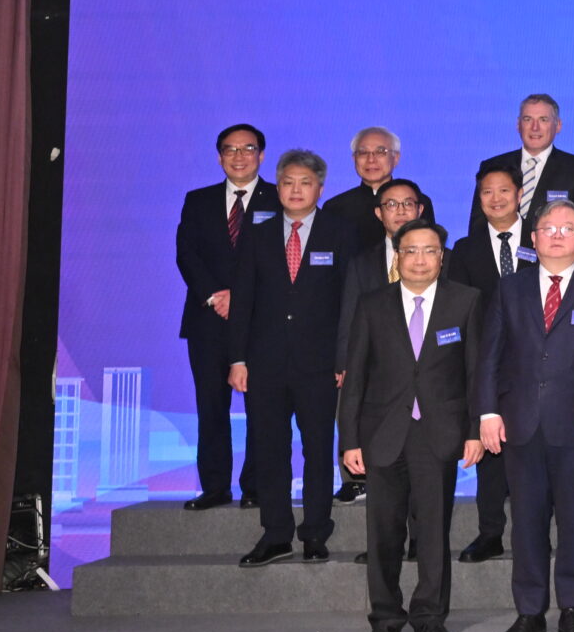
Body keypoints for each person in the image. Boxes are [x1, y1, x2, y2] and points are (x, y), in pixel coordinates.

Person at [475, 199, 574, 632]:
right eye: (548, 228)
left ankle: (572, 608)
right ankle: (530, 612)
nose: (557, 235)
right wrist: (488, 412)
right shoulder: (510, 288)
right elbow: (490, 355)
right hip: (520, 423)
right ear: (533, 238)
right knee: (526, 521)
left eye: (567, 228)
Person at [338, 221, 485, 632]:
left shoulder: (466, 301)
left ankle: (430, 617)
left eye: (429, 251)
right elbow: (355, 379)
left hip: (438, 433)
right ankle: (384, 619)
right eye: (411, 251)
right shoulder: (372, 305)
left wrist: (474, 431)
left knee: (433, 532)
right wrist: (349, 440)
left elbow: (475, 374)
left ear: (442, 257)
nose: (420, 259)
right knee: (383, 534)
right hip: (382, 435)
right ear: (397, 257)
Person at [228, 149, 359, 567]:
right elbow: (243, 299)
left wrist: (344, 359)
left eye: (305, 183)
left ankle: (315, 532)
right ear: (278, 187)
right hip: (263, 363)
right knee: (269, 449)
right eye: (288, 182)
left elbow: (350, 302)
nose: (296, 190)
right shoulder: (258, 232)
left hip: (320, 365)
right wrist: (237, 359)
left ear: (320, 188)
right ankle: (276, 533)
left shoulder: (340, 232)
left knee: (319, 450)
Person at [173, 123, 276, 510]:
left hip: (263, 321)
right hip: (209, 319)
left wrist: (245, 299)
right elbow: (187, 255)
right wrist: (216, 296)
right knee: (211, 405)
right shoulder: (198, 200)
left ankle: (256, 487)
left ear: (261, 155)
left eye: (247, 149)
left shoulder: (280, 198)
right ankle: (215, 486)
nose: (239, 156)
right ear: (219, 158)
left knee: (262, 407)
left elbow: (284, 258)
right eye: (230, 149)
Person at [327, 177, 434, 505]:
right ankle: (357, 482)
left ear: (420, 209)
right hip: (375, 363)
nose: (400, 211)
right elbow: (349, 313)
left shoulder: (439, 257)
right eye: (391, 205)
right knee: (363, 420)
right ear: (378, 213)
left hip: (426, 363)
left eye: (407, 204)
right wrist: (343, 361)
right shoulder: (362, 262)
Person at [446, 166, 529, 563]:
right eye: (487, 193)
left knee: (533, 454)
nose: (496, 199)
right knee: (490, 452)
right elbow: (460, 307)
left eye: (504, 191)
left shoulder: (542, 236)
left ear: (520, 193)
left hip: (536, 362)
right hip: (487, 361)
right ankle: (490, 532)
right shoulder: (465, 249)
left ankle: (534, 535)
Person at [468, 93, 574, 240]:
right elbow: (477, 226)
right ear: (518, 124)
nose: (535, 127)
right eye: (527, 119)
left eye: (543, 119)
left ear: (558, 125)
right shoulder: (493, 166)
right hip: (500, 252)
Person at [326, 126, 403, 252]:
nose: (371, 159)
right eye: (363, 153)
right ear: (354, 159)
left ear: (396, 158)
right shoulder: (335, 207)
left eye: (380, 151)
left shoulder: (416, 203)